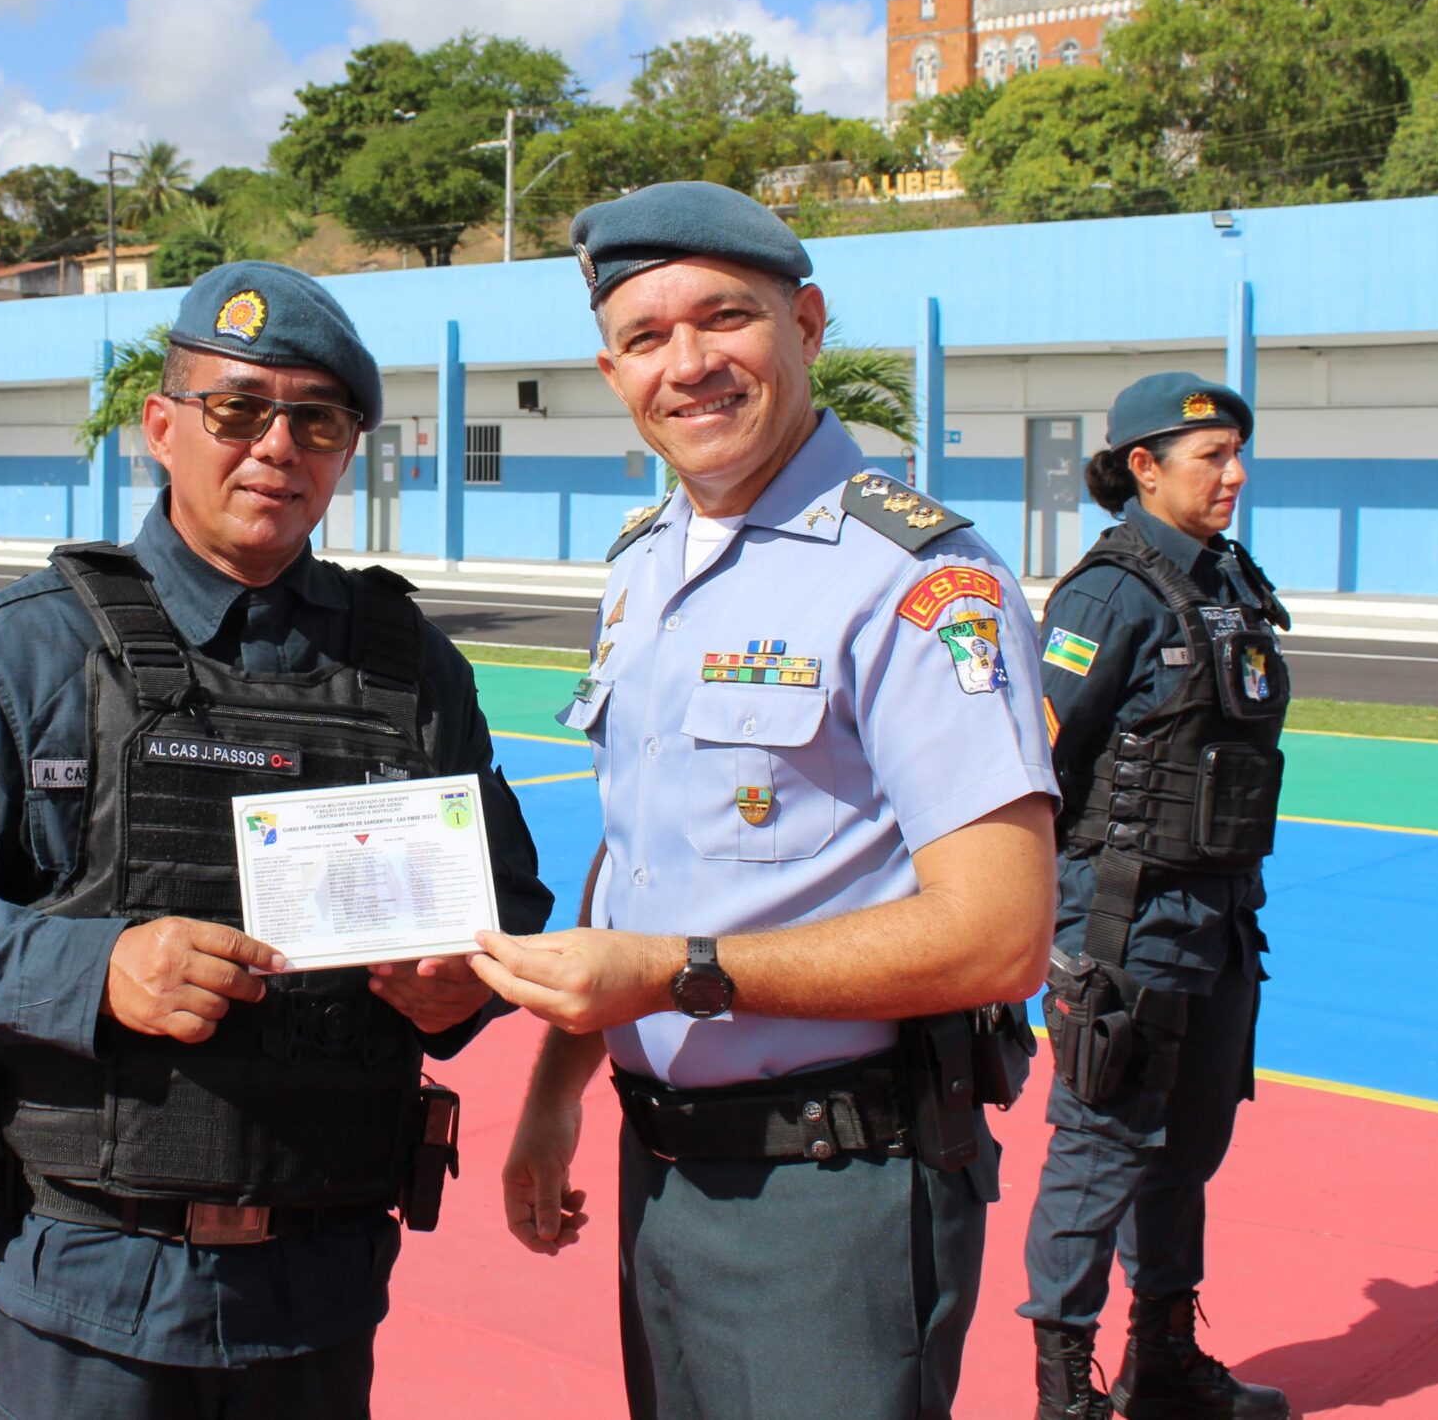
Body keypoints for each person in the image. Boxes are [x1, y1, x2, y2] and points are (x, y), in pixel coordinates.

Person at [0, 260, 551, 1420]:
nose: (276, 447)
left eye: (316, 421)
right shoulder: (26, 651)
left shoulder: (414, 672)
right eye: (238, 410)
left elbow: (507, 907)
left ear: (347, 450)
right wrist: (97, 967)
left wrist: (463, 987)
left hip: (321, 1291)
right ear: (162, 427)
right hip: (83, 1292)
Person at [470, 180, 1058, 1420]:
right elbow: (637, 863)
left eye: (723, 318)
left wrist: (675, 975)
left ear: (807, 324)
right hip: (660, 1169)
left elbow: (1000, 937)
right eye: (644, 338)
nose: (686, 364)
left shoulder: (916, 577)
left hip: (832, 1185)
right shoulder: (641, 567)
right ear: (612, 372)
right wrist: (554, 1095)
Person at [1020, 374, 1294, 1420]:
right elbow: (1035, 761)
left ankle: (1164, 1362)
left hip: (1219, 920)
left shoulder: (1228, 580)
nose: (1235, 474)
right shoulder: (1108, 594)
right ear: (1143, 465)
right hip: (1125, 924)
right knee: (1100, 1152)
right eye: (1211, 456)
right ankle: (1064, 1393)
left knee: (1187, 1147)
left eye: (1236, 453)